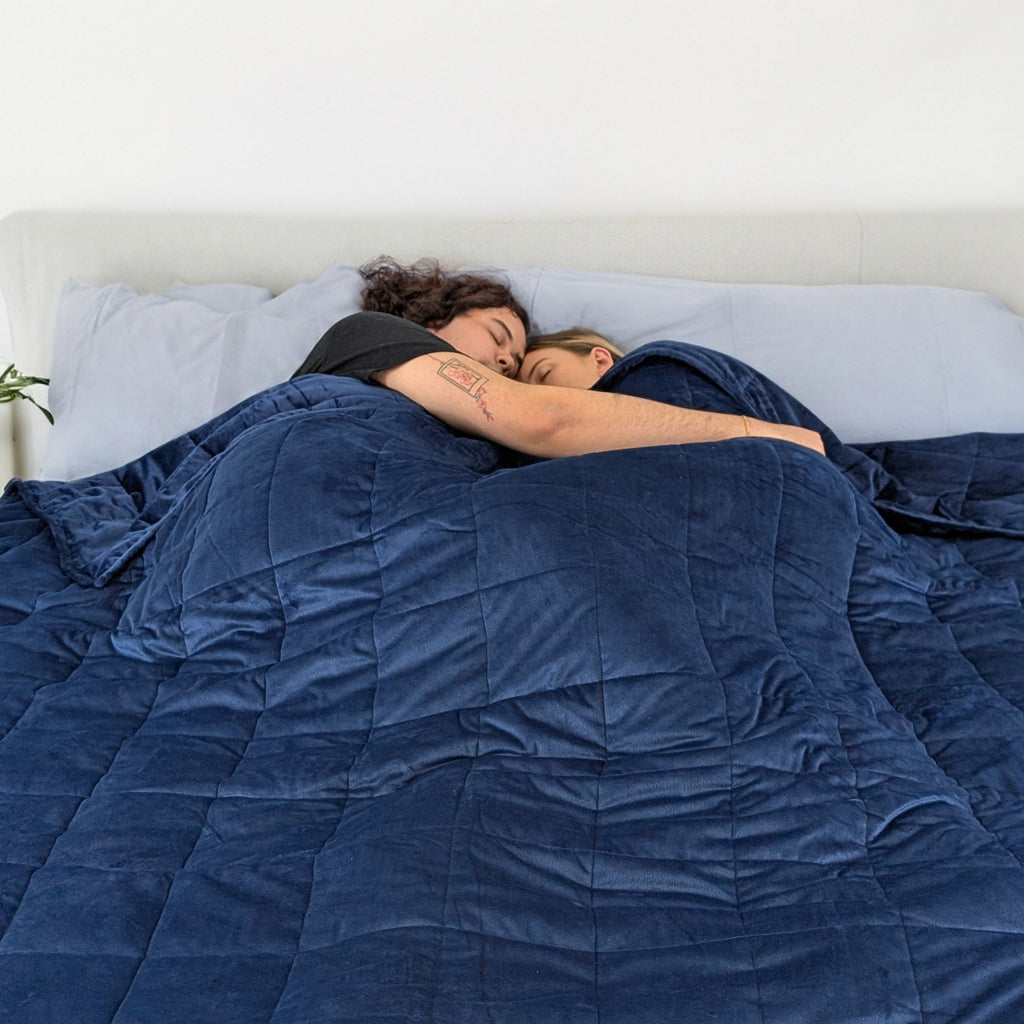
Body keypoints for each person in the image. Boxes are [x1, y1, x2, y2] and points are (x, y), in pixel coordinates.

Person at [293, 258, 825, 458]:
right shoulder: (369, 334)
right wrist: (761, 435)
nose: (506, 362)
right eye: (499, 334)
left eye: (517, 357)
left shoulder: (468, 432)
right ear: (434, 319)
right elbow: (543, 418)